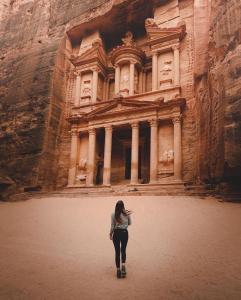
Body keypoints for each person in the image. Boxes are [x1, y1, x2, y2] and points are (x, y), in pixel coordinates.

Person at [109, 200, 132, 278]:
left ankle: (118, 270)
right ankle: (123, 266)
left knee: (117, 251)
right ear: (123, 206)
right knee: (123, 250)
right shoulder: (126, 214)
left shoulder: (113, 214)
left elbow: (112, 226)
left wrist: (110, 234)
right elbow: (130, 223)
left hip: (116, 234)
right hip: (124, 233)